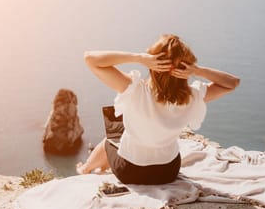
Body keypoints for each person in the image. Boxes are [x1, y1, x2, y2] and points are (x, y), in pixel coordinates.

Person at [76, 34, 240, 185]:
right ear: (185, 69)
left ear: (152, 64)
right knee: (120, 130)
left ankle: (85, 169)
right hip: (167, 172)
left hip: (130, 171)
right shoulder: (192, 96)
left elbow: (90, 58)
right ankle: (96, 167)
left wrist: (139, 58)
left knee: (110, 138)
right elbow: (232, 83)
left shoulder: (134, 89)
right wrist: (197, 70)